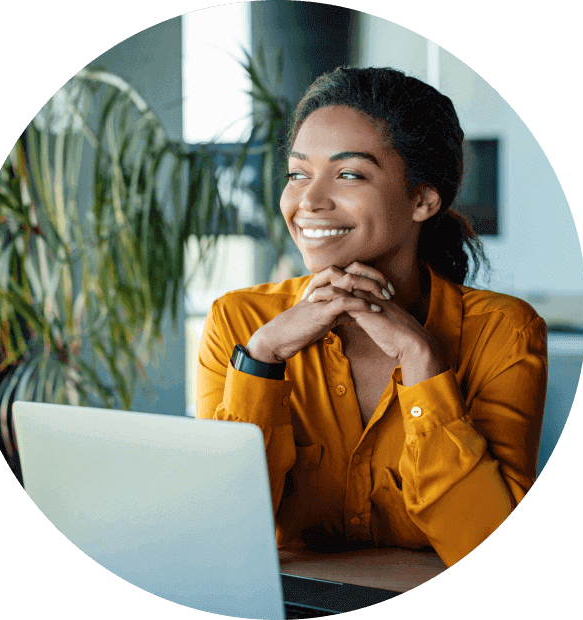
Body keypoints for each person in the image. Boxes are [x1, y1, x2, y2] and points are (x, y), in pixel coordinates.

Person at [196, 66, 548, 569]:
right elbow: (218, 535)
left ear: (423, 199)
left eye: (349, 174)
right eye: (298, 173)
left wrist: (421, 359)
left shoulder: (503, 332)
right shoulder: (242, 323)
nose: (308, 202)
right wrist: (262, 361)